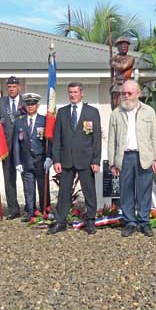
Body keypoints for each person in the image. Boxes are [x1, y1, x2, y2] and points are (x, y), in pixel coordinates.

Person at [107, 79, 156, 237]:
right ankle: (129, 222)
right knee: (126, 191)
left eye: (129, 93)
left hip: (144, 156)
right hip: (124, 157)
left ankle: (144, 222)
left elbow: (154, 136)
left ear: (138, 94)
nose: (126, 96)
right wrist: (112, 163)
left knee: (144, 191)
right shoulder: (116, 113)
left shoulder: (148, 111)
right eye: (123, 93)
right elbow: (112, 140)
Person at [50, 82, 102, 235]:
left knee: (89, 191)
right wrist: (56, 159)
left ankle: (90, 221)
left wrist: (96, 160)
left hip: (86, 159)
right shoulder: (62, 112)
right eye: (70, 92)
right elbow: (57, 138)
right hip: (66, 159)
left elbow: (96, 138)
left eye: (75, 92)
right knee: (64, 192)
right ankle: (61, 221)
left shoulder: (92, 112)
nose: (72, 95)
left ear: (82, 93)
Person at [13, 92, 52, 222]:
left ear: (37, 105)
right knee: (28, 188)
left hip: (41, 160)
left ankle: (45, 210)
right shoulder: (19, 121)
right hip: (26, 160)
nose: (30, 106)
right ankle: (30, 211)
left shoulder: (44, 120)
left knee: (43, 187)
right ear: (25, 105)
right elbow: (16, 143)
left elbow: (49, 141)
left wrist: (49, 157)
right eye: (28, 104)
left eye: (33, 104)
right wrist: (17, 161)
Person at [0, 76, 24, 220]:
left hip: (24, 147)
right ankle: (13, 209)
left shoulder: (26, 101)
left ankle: (31, 208)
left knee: (27, 178)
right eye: (9, 87)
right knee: (9, 179)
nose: (12, 89)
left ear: (19, 87)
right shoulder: (0, 103)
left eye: (14, 87)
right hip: (6, 147)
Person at [110, 36, 136, 109]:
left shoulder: (130, 58)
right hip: (116, 85)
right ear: (118, 47)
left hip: (126, 83)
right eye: (121, 44)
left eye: (126, 45)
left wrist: (113, 63)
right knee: (115, 106)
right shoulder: (114, 58)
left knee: (125, 105)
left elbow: (123, 67)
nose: (124, 46)